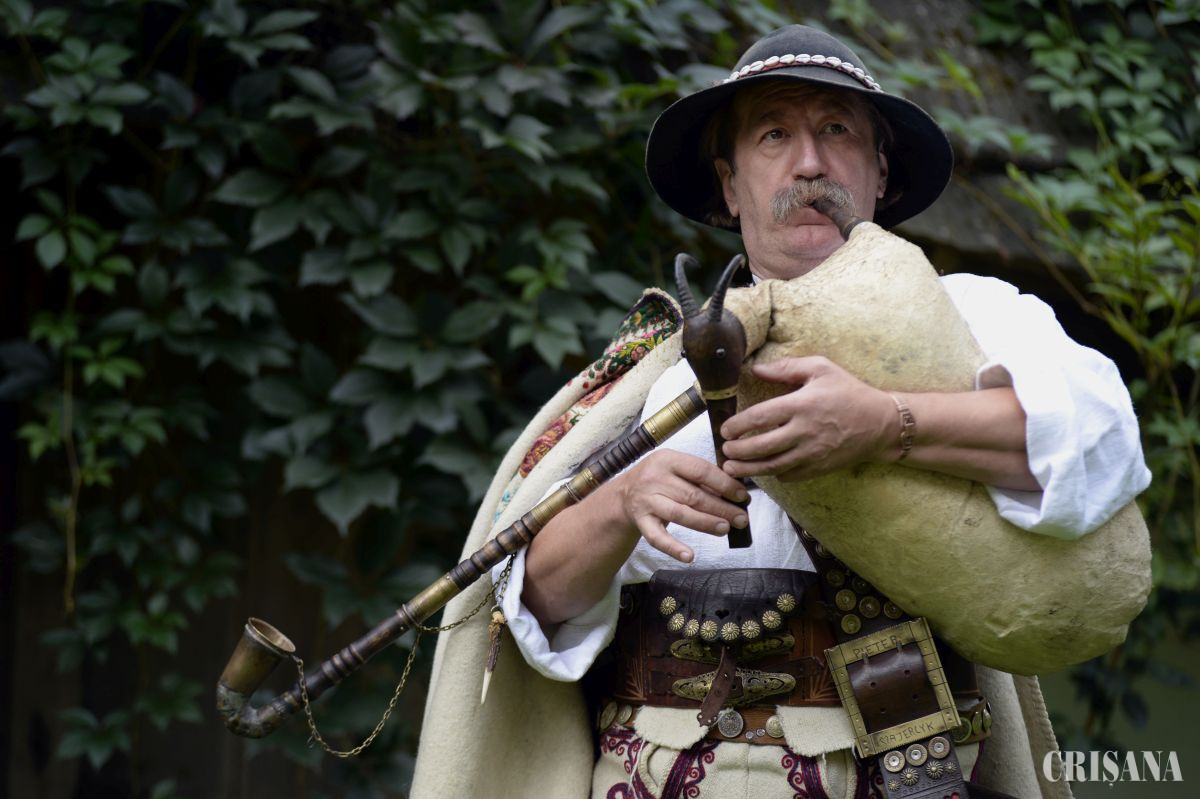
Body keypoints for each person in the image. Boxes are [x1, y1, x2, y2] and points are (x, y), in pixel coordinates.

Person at [410, 24, 1149, 799]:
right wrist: (622, 502)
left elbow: (1102, 446)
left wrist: (886, 423)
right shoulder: (655, 380)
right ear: (731, 186)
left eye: (837, 131)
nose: (809, 163)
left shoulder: (974, 316)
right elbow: (533, 609)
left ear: (880, 172)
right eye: (774, 135)